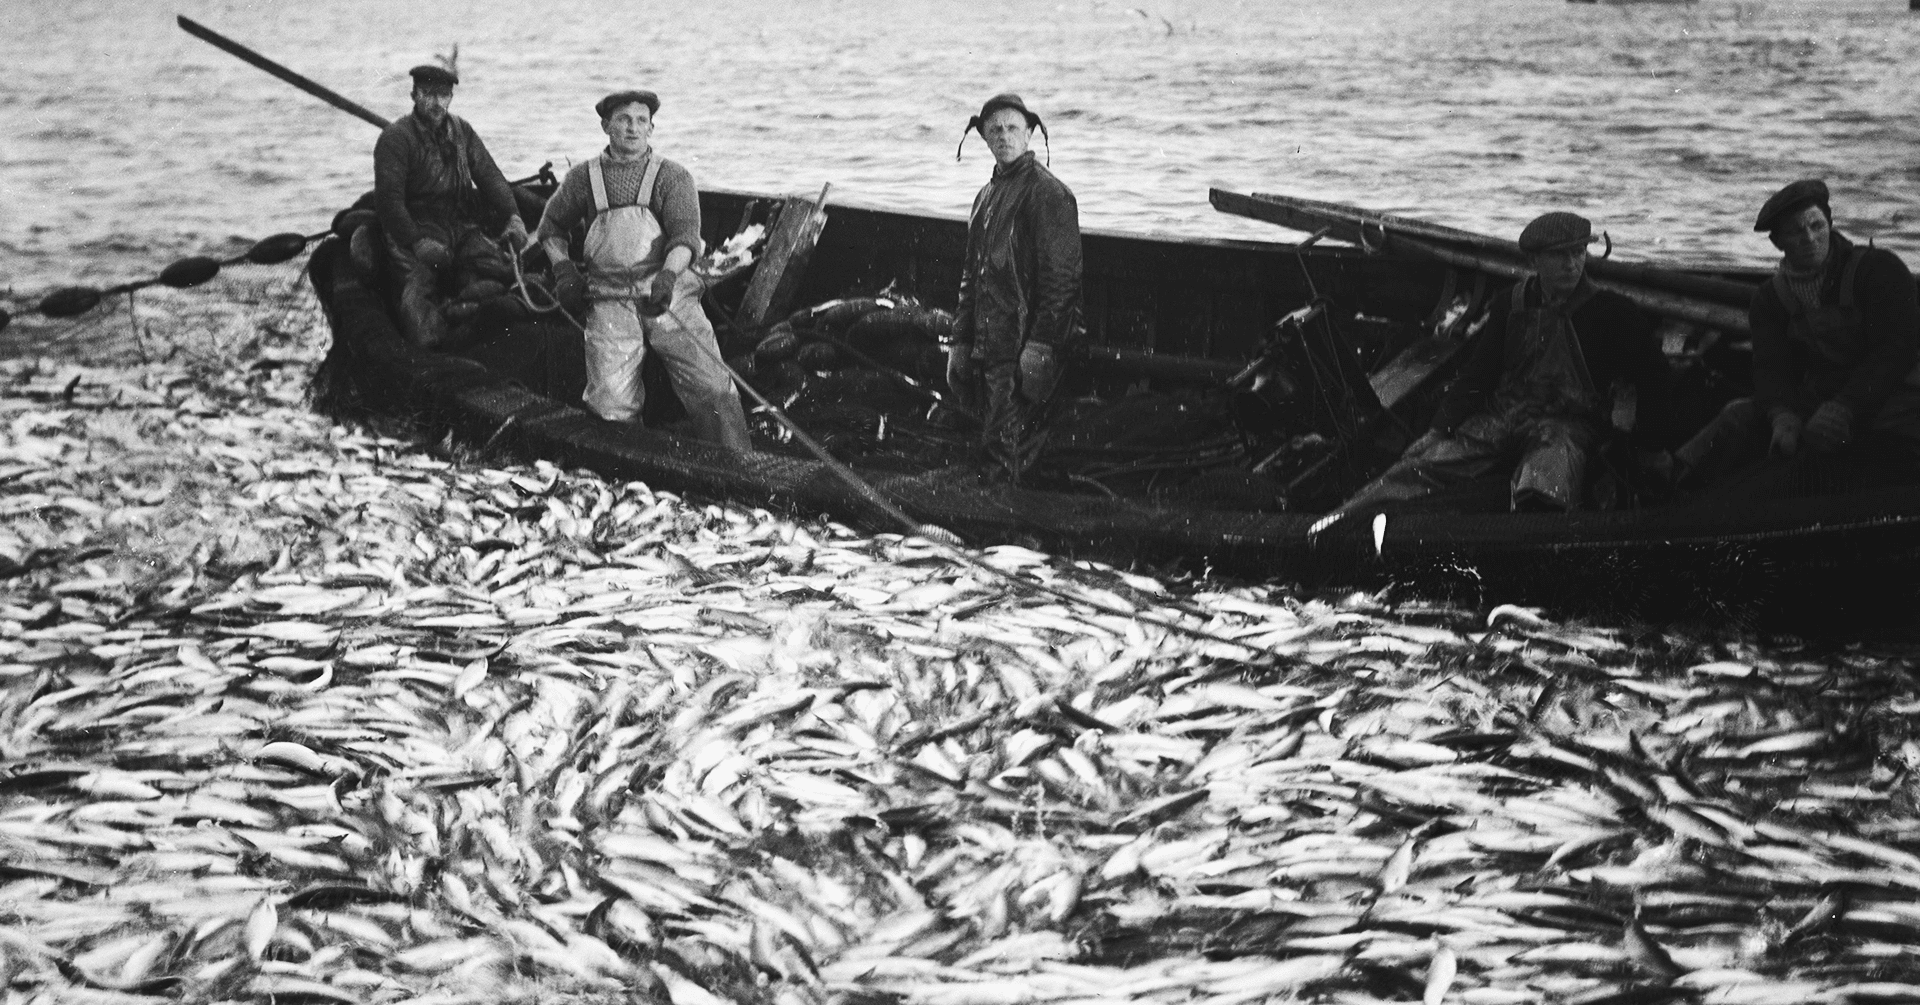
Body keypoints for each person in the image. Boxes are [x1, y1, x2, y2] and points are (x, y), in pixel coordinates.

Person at [1334, 212, 1671, 514]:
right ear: (1535, 260)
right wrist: (1439, 430)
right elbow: (1478, 375)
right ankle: (1341, 523)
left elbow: (1655, 382)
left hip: (1568, 426)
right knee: (1415, 469)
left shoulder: (1614, 312)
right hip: (1504, 417)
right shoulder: (1509, 304)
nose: (1571, 264)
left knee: (1543, 481)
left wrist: (1654, 448)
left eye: (1578, 252)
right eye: (1559, 255)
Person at [532, 90, 751, 453]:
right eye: (623, 120)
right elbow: (550, 229)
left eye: (641, 121)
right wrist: (564, 271)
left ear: (652, 128)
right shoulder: (582, 178)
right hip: (608, 298)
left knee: (712, 387)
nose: (633, 129)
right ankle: (628, 469)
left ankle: (736, 462)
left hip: (668, 295)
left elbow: (685, 237)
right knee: (610, 406)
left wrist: (667, 277)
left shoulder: (674, 176)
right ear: (606, 126)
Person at [1673, 179, 1920, 490]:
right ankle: (1671, 488)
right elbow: (1771, 370)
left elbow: (1897, 352)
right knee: (1737, 418)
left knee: (1885, 443)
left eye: (1817, 225)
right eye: (1795, 231)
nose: (1810, 238)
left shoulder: (1879, 270)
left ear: (1830, 224)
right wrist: (1782, 417)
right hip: (1824, 397)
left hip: (1898, 395)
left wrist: (1843, 408)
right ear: (1778, 242)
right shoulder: (1769, 298)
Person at [947, 93, 1084, 481]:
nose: (1003, 136)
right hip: (989, 347)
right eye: (995, 130)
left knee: (1003, 454)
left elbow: (1062, 281)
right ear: (985, 139)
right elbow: (971, 278)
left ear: (1029, 135)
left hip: (1024, 348)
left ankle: (1003, 528)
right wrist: (959, 342)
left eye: (1012, 128)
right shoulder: (985, 197)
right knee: (992, 445)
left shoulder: (1048, 193)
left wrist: (1040, 347)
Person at [372, 63, 529, 348]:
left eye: (443, 95)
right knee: (417, 293)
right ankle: (432, 345)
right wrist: (417, 242)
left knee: (500, 270)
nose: (436, 102)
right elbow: (389, 202)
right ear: (414, 95)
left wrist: (514, 217)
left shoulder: (462, 130)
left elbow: (490, 177)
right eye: (428, 94)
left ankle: (468, 314)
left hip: (459, 224)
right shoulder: (396, 138)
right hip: (416, 228)